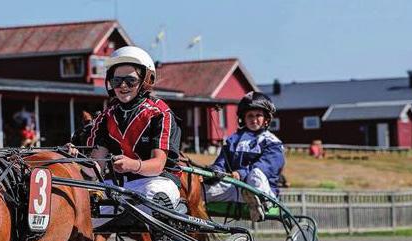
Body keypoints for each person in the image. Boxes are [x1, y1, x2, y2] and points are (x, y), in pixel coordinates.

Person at [66, 46, 181, 228]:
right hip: (118, 187)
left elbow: (158, 165)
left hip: (157, 181)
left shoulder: (160, 113)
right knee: (75, 218)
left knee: (155, 193)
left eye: (130, 80)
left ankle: (162, 226)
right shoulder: (105, 117)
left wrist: (132, 165)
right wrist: (74, 159)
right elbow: (95, 168)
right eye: (117, 80)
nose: (123, 86)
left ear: (146, 80)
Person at [203, 91, 285, 222]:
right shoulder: (233, 140)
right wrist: (214, 171)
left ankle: (261, 203)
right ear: (243, 118)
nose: (254, 119)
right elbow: (222, 162)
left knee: (255, 174)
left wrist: (240, 174)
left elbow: (264, 167)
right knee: (199, 190)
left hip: (262, 189)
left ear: (266, 119)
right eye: (250, 116)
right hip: (237, 190)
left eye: (258, 115)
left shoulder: (273, 142)